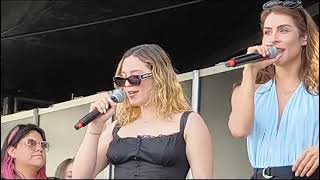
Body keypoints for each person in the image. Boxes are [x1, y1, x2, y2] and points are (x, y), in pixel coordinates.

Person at [72, 44, 214, 179]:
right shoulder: (118, 127)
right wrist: (94, 128)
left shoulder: (189, 122)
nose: (127, 85)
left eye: (135, 78)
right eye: (121, 79)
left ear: (159, 77)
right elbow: (79, 177)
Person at [228, 0, 319, 179]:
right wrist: (250, 70)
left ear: (304, 38)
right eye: (267, 32)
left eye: (283, 30)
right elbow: (239, 130)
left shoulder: (315, 91)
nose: (274, 38)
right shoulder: (248, 91)